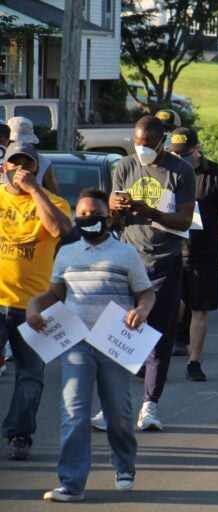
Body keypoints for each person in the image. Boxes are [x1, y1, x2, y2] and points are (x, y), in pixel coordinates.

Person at [26, 189, 155, 502]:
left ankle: (124, 464)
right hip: (76, 343)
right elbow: (55, 293)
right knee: (74, 413)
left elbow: (146, 293)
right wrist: (34, 306)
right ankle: (71, 482)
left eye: (93, 213)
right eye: (81, 214)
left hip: (113, 343)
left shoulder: (124, 254)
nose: (87, 219)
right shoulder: (67, 253)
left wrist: (141, 310)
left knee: (119, 413)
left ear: (108, 217)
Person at [107, 115, 195, 431]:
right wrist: (114, 208)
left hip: (166, 261)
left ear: (161, 142)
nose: (141, 149)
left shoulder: (181, 171)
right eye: (137, 143)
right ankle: (112, 404)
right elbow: (109, 217)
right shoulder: (124, 167)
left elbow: (185, 220)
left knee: (158, 334)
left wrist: (151, 212)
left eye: (147, 144)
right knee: (118, 332)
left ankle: (150, 405)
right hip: (128, 259)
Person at [1, 142, 72, 461]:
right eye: (14, 164)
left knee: (30, 376)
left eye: (27, 165)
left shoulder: (53, 202)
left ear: (37, 169)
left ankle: (19, 434)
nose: (20, 170)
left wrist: (34, 190)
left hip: (33, 306)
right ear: (4, 167)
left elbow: (58, 229)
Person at [168, 128, 218, 381]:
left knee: (200, 308)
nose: (179, 158)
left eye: (185, 154)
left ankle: (194, 361)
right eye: (174, 154)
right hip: (170, 250)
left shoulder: (214, 173)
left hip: (204, 252)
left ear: (197, 150)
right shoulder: (165, 171)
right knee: (169, 306)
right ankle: (157, 356)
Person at [7, 117, 59, 194]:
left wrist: (34, 190)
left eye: (25, 142)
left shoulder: (44, 162)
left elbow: (54, 196)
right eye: (14, 142)